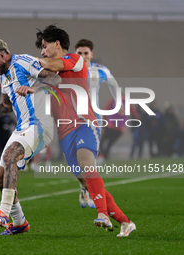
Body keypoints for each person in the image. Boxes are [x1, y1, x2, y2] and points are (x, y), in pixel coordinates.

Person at [35, 25, 136, 237]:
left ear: (57, 44)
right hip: (65, 132)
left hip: (85, 123)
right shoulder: (49, 72)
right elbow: (43, 86)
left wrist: (25, 63)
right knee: (86, 180)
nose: (42, 52)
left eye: (44, 47)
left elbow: (50, 63)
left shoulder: (75, 59)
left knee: (87, 166)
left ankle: (103, 215)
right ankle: (125, 222)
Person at [0, 38, 60, 235]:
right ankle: (19, 222)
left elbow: (54, 78)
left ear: (2, 55)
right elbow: (6, 107)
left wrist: (35, 88)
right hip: (23, 126)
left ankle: (3, 213)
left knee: (9, 156)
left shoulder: (22, 62)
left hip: (40, 124)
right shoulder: (5, 76)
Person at [74, 39, 121, 208]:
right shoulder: (68, 69)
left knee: (90, 156)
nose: (83, 56)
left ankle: (87, 192)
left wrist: (119, 104)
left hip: (93, 118)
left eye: (86, 53)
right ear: (75, 54)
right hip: (72, 117)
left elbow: (114, 86)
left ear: (91, 54)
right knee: (75, 158)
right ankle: (84, 188)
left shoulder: (100, 70)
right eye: (79, 53)